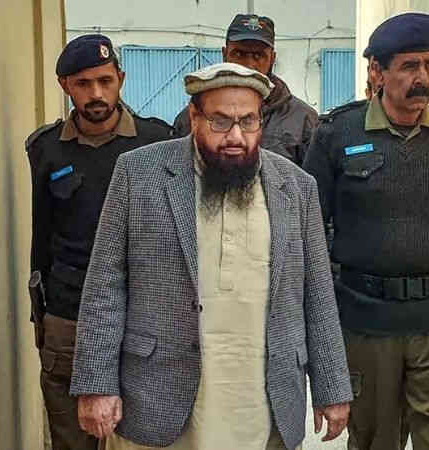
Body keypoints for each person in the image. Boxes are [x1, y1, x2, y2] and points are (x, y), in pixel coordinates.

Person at [68, 63, 352, 450]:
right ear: (194, 117)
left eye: (248, 121)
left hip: (262, 400)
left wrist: (332, 388)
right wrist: (96, 385)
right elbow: (104, 286)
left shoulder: (296, 186)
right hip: (159, 397)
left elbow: (317, 294)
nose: (235, 136)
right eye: (220, 121)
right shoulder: (138, 173)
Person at [303, 13, 429, 450]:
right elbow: (309, 238)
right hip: (366, 327)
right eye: (410, 66)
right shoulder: (337, 136)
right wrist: (319, 337)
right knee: (375, 442)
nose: (423, 77)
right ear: (377, 71)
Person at [25, 34, 173, 450]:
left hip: (143, 320)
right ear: (64, 85)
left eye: (105, 81)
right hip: (69, 318)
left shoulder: (157, 142)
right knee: (73, 441)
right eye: (83, 83)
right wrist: (44, 316)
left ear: (121, 80)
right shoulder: (46, 150)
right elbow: (41, 238)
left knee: (146, 440)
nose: (96, 94)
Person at [173, 14, 317, 166]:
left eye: (258, 55)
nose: (248, 65)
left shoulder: (303, 120)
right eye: (239, 54)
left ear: (272, 59)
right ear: (224, 54)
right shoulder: (193, 117)